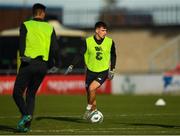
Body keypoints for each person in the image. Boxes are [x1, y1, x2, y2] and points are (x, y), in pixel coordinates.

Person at [13, 3, 60, 132]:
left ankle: (26, 115)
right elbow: (55, 48)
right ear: (43, 13)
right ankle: (26, 126)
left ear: (33, 13)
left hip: (28, 63)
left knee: (17, 93)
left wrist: (23, 56)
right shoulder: (49, 27)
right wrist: (57, 63)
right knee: (31, 94)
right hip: (42, 66)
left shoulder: (26, 25)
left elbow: (21, 44)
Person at [65, 21, 116, 119]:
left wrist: (112, 69)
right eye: (103, 30)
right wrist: (72, 65)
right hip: (90, 71)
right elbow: (80, 54)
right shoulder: (88, 41)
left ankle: (88, 110)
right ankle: (94, 111)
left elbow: (113, 55)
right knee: (90, 93)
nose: (105, 32)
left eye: (106, 30)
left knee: (92, 88)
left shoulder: (110, 42)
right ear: (97, 30)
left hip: (103, 71)